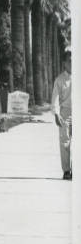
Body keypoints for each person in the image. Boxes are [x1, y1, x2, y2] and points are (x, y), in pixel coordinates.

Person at [51, 49, 72, 180]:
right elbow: (55, 98)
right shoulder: (59, 80)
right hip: (65, 113)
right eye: (70, 61)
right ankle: (66, 171)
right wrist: (56, 114)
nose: (72, 63)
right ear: (64, 63)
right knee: (65, 142)